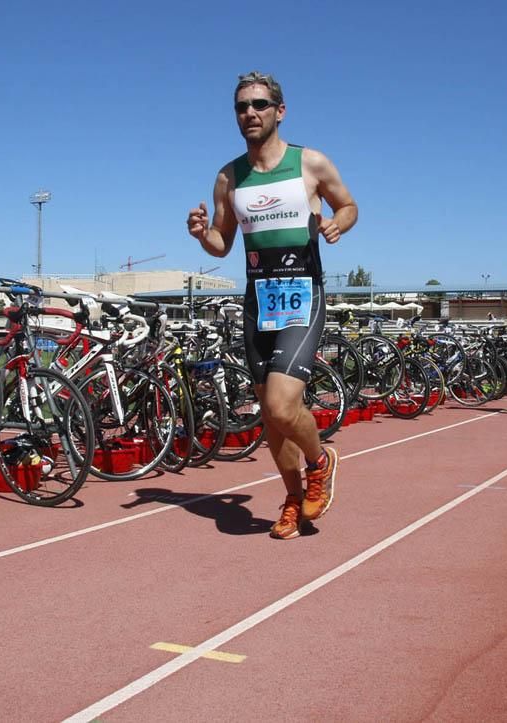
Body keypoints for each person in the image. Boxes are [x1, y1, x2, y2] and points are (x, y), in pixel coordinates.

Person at [187, 71, 358, 540]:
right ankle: (292, 497)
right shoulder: (229, 176)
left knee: (284, 407)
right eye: (242, 107)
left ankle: (320, 462)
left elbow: (348, 205)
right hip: (257, 299)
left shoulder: (311, 163)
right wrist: (204, 235)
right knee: (270, 416)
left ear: (279, 111)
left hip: (303, 292)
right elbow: (222, 243)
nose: (250, 113)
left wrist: (338, 223)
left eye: (260, 105)